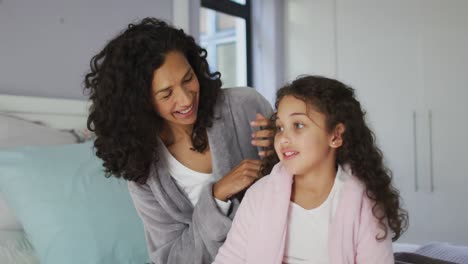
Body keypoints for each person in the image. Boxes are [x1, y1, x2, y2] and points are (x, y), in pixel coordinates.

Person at [83, 17, 274, 263]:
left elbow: (307, 184)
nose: (185, 99)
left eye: (188, 79)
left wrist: (282, 150)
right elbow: (173, 258)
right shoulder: (144, 172)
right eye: (166, 93)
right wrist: (216, 196)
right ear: (141, 102)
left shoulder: (245, 106)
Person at [213, 75, 409, 264]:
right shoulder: (259, 195)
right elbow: (229, 259)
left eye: (298, 125)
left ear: (335, 136)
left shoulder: (364, 203)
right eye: (280, 127)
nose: (284, 138)